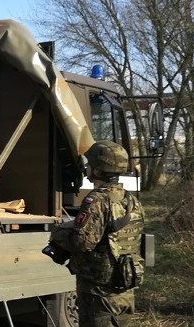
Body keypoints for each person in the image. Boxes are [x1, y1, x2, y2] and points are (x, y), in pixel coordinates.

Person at [50, 140, 146, 327]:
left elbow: (81, 243)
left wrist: (58, 233)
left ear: (97, 171)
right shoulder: (131, 200)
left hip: (99, 290)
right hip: (124, 287)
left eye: (89, 164)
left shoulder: (96, 200)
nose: (86, 167)